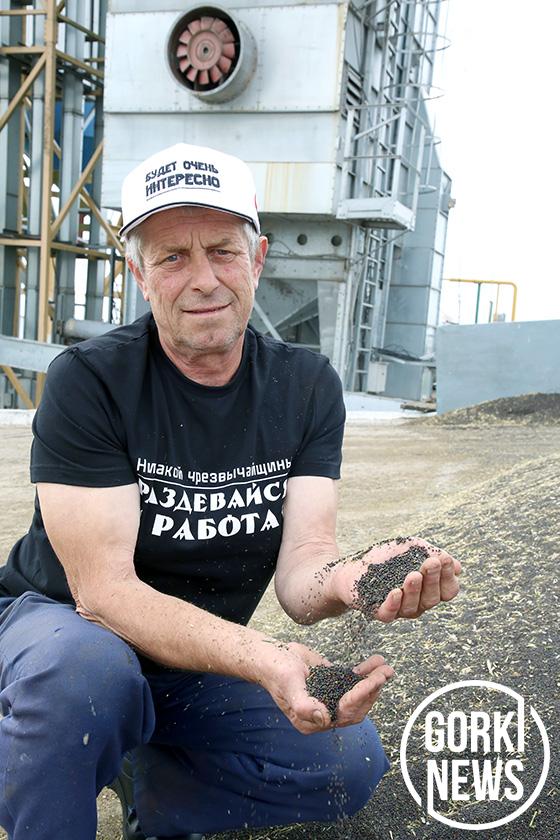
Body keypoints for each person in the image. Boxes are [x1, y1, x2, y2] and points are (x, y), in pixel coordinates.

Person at [0, 143, 461, 840]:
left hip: (193, 656)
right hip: (67, 633)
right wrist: (268, 661)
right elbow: (103, 594)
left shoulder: (306, 385)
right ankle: (50, 771)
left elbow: (302, 574)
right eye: (172, 257)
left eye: (222, 251)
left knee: (347, 760)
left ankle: (152, 790)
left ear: (258, 259)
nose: (204, 279)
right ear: (139, 274)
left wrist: (353, 579)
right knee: (85, 679)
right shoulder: (90, 381)